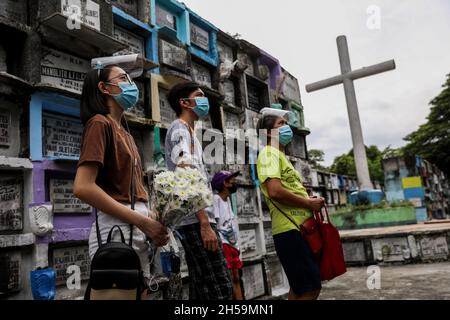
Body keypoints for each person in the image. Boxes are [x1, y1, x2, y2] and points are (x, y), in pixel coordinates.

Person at [73, 65, 169, 295]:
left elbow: (134, 188)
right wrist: (142, 221)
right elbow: (83, 187)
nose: (131, 85)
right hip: (115, 231)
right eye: (123, 78)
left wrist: (153, 217)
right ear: (104, 88)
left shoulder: (125, 133)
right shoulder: (99, 123)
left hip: (137, 230)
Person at [164, 81, 233, 300]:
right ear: (184, 102)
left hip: (199, 220)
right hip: (196, 222)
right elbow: (185, 174)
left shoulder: (190, 133)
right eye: (199, 95)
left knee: (203, 287)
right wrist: (204, 223)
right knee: (219, 289)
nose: (204, 100)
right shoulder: (179, 129)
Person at [256, 112, 325, 300]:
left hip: (299, 229)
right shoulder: (268, 154)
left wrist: (307, 199)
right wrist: (308, 203)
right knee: (310, 287)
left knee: (301, 288)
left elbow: (285, 189)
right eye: (281, 123)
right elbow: (275, 191)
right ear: (269, 133)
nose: (287, 127)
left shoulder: (279, 156)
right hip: (290, 230)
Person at [211, 171, 244, 300]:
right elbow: (217, 224)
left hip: (233, 244)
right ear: (224, 183)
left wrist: (236, 244)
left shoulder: (228, 200)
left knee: (236, 278)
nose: (234, 182)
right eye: (231, 180)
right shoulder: (217, 199)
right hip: (224, 244)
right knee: (229, 279)